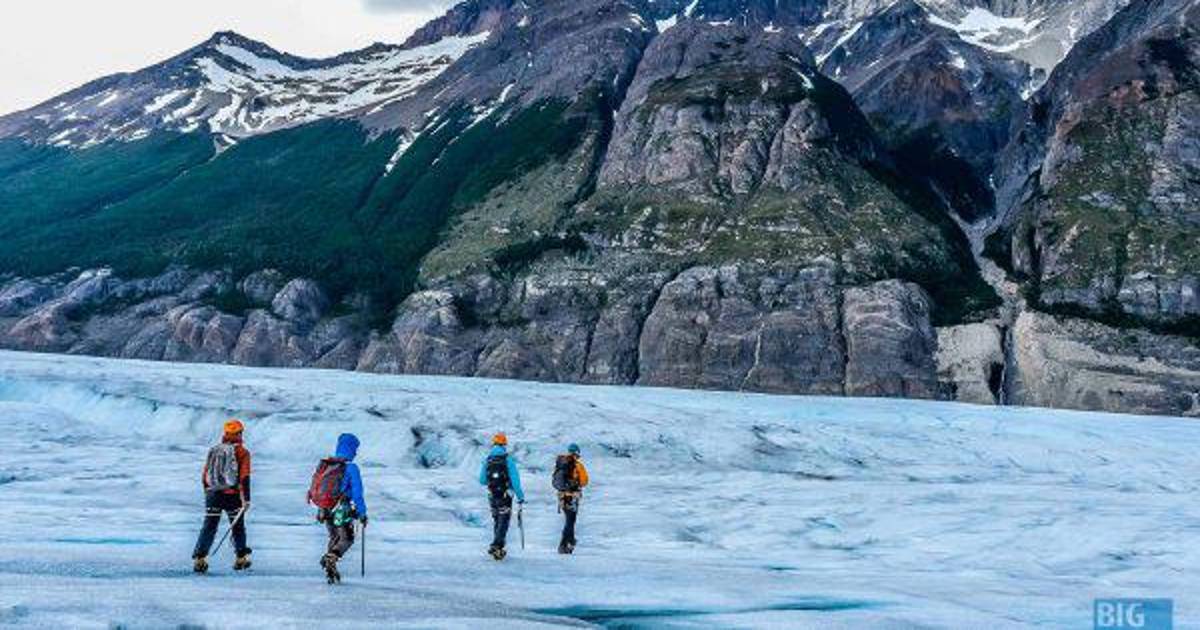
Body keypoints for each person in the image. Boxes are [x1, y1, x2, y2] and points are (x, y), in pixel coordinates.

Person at [192, 419, 252, 573]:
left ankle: (200, 558)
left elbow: (205, 475)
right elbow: (244, 477)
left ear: (225, 434)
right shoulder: (243, 452)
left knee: (209, 526)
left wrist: (208, 492)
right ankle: (241, 558)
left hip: (213, 493)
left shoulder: (214, 450)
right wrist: (246, 499)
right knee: (238, 527)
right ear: (239, 434)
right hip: (233, 495)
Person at [308, 433, 368, 584]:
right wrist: (362, 513)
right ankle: (331, 558)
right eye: (355, 449)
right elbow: (357, 493)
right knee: (346, 538)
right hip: (341, 508)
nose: (356, 452)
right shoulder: (351, 468)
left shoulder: (326, 464)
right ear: (351, 449)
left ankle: (331, 567)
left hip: (325, 507)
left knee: (334, 537)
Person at [479, 433, 524, 560]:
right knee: (503, 521)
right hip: (505, 496)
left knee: (497, 520)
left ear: (494, 444)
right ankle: (497, 545)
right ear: (504, 445)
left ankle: (497, 547)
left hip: (492, 495)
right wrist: (520, 496)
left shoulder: (487, 460)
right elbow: (515, 481)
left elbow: (482, 480)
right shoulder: (508, 460)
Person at [553, 443, 589, 554]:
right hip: (572, 497)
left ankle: (569, 542)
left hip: (562, 497)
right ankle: (565, 544)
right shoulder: (578, 465)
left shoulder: (559, 463)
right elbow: (584, 481)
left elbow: (555, 480)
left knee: (569, 520)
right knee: (570, 521)